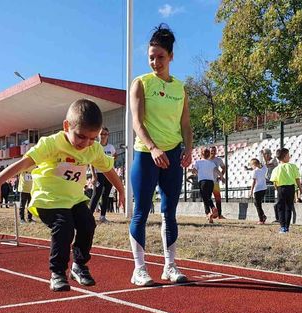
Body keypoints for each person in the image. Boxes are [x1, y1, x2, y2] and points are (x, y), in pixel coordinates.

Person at [0, 99, 125, 292]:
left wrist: (120, 190)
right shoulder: (51, 144)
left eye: (92, 138)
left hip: (74, 199)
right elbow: (24, 163)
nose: (86, 144)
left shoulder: (93, 149)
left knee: (88, 223)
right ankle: (57, 273)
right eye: (80, 136)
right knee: (65, 227)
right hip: (49, 200)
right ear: (66, 126)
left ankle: (79, 265)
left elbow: (109, 169)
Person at [128, 23, 194, 286]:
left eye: (160, 57)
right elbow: (137, 122)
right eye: (151, 57)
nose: (155, 62)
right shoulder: (141, 84)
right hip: (146, 154)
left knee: (169, 212)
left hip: (173, 154)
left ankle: (170, 266)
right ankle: (140, 269)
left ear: (171, 57)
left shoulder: (180, 88)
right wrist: (153, 148)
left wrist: (188, 149)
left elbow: (186, 125)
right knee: (141, 212)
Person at [270, 148, 302, 233]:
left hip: (281, 188)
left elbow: (274, 182)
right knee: (289, 207)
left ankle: (282, 227)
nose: (289, 157)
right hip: (291, 188)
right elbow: (297, 179)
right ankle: (287, 227)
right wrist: (300, 189)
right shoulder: (293, 166)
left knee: (281, 208)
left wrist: (277, 189)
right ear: (284, 157)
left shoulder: (276, 169)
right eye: (288, 155)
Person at [89, 126, 117, 223]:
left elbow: (115, 156)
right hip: (99, 174)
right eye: (101, 134)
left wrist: (111, 165)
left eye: (105, 134)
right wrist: (93, 175)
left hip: (108, 174)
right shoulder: (95, 146)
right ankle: (89, 216)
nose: (103, 136)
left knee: (106, 195)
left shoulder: (111, 147)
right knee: (96, 194)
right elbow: (91, 162)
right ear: (98, 135)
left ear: (108, 135)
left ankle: (102, 216)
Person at [191, 147, 218, 223]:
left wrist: (196, 172)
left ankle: (209, 213)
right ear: (209, 154)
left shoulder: (198, 162)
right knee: (208, 197)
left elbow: (193, 171)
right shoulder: (212, 163)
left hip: (202, 182)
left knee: (205, 199)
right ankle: (212, 210)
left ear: (201, 154)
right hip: (211, 182)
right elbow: (217, 170)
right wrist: (222, 177)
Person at [207, 145, 227, 219]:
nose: (213, 152)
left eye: (214, 150)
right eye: (212, 150)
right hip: (208, 182)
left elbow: (224, 167)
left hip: (215, 182)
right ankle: (209, 213)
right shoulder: (206, 160)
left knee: (218, 198)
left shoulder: (218, 160)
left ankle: (219, 214)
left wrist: (221, 176)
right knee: (208, 198)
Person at [248, 158, 268, 224]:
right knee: (257, 204)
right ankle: (263, 216)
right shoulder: (263, 169)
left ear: (254, 164)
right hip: (264, 188)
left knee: (258, 205)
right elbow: (265, 164)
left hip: (257, 189)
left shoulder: (255, 171)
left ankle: (261, 220)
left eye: (251, 165)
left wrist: (251, 191)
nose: (251, 167)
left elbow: (254, 181)